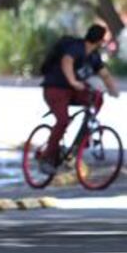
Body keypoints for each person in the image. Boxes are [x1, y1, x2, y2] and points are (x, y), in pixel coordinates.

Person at [39, 24, 120, 174]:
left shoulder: (94, 56)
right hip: (55, 89)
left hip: (73, 91)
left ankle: (80, 141)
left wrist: (113, 91)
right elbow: (67, 61)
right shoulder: (76, 48)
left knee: (96, 97)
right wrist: (72, 81)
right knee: (63, 121)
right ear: (100, 40)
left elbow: (105, 75)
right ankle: (47, 157)